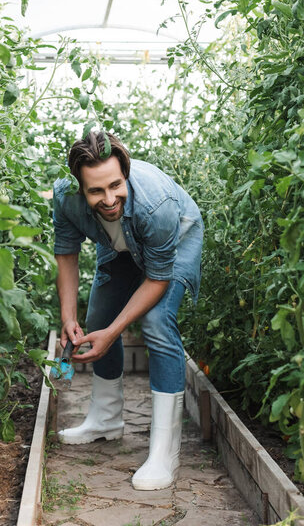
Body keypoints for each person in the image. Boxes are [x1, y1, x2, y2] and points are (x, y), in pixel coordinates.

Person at [53, 131, 203, 491]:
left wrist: (116, 332)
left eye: (116, 186)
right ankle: (105, 420)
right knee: (97, 319)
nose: (108, 199)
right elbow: (66, 253)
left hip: (176, 240)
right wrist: (68, 317)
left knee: (156, 321)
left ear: (126, 172)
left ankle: (164, 453)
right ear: (78, 187)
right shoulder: (65, 197)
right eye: (95, 191)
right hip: (120, 244)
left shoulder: (157, 204)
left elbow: (156, 279)